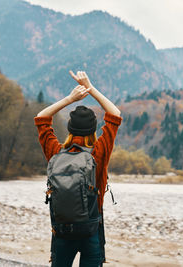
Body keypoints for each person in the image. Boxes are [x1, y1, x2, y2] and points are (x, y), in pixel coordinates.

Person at [34, 71, 122, 267]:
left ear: (70, 128)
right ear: (93, 130)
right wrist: (90, 88)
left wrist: (70, 98)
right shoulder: (98, 154)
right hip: (91, 228)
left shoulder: (56, 153)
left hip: (62, 230)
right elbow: (115, 114)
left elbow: (41, 118)